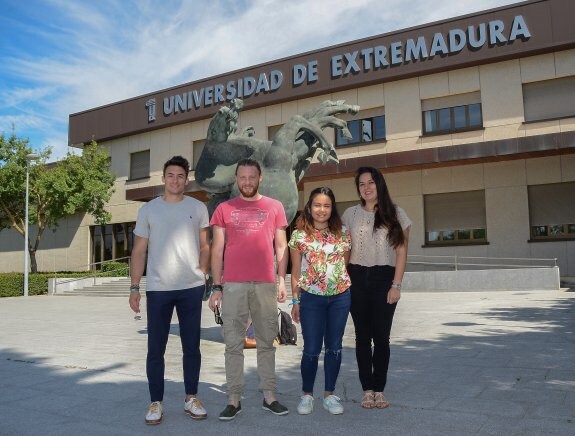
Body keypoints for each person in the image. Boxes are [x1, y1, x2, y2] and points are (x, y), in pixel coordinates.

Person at [129, 155, 210, 425]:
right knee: (156, 348)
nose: (175, 180)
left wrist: (203, 272)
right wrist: (134, 287)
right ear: (163, 178)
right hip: (158, 288)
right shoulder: (148, 210)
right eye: (171, 175)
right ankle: (156, 402)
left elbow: (205, 245)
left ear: (187, 180)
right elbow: (139, 250)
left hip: (191, 287)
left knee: (192, 347)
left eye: (181, 176)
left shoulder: (198, 208)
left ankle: (191, 398)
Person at [208, 158, 289, 421]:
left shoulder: (274, 207)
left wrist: (280, 280)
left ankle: (269, 396)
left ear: (260, 178)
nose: (247, 182)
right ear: (236, 179)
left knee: (266, 342)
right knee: (233, 344)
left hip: (265, 284)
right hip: (233, 285)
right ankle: (234, 399)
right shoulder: (224, 209)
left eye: (251, 177)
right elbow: (217, 249)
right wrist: (216, 286)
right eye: (242, 177)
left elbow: (281, 247)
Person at [342, 167, 411, 410]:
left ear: (379, 184)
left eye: (371, 182)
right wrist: (343, 281)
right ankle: (367, 390)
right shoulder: (349, 214)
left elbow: (401, 252)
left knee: (382, 338)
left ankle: (379, 390)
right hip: (357, 278)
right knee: (362, 338)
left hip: (384, 278)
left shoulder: (396, 214)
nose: (366, 188)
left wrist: (396, 285)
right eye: (361, 184)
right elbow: (345, 250)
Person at [288, 187, 352, 415]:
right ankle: (306, 395)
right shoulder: (298, 235)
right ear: (310, 207)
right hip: (311, 299)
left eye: (326, 205)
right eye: (317, 205)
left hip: (340, 297)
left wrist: (334, 285)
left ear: (332, 208)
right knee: (312, 349)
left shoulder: (343, 232)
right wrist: (295, 301)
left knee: (334, 347)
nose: (321, 210)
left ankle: (329, 395)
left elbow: (343, 264)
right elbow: (295, 271)